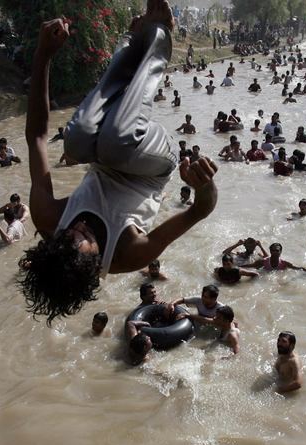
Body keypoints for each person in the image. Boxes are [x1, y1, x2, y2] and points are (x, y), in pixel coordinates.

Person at [19, 12, 219, 325]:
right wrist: (204, 184)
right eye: (80, 238)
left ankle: (131, 44)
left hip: (110, 150)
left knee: (75, 141)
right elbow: (200, 211)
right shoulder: (129, 253)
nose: (75, 228)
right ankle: (160, 35)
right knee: (114, 143)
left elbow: (38, 137)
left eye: (65, 235)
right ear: (93, 263)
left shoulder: (48, 218)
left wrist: (43, 54)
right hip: (152, 164)